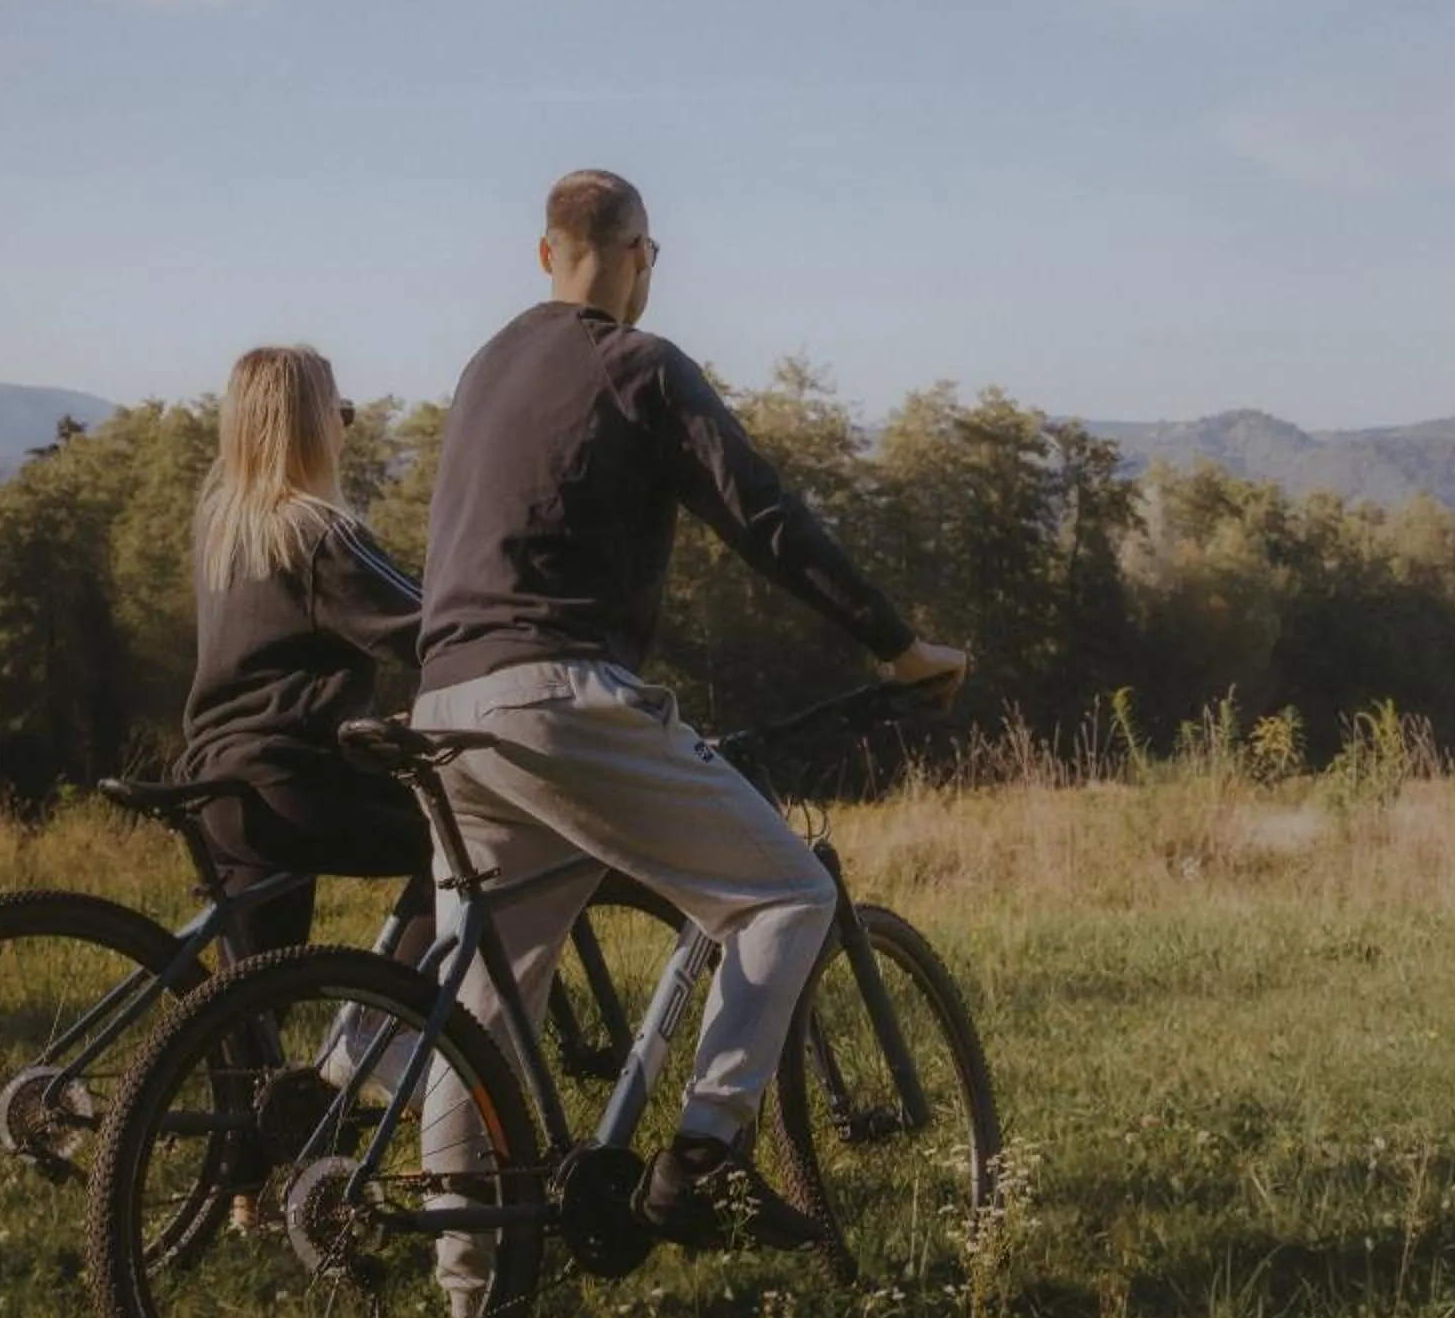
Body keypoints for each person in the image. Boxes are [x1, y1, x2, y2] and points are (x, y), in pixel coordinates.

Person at [415, 168, 967, 1251]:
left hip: (444, 705)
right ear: (641, 257)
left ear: (542, 254)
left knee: (480, 1009)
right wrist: (896, 644)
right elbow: (763, 514)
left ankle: (469, 1293)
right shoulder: (640, 363)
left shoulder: (484, 368)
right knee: (785, 895)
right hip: (558, 695)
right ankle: (706, 1157)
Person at [177, 343, 433, 962]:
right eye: (338, 412)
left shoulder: (226, 532)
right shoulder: (319, 535)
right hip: (293, 783)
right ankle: (387, 1027)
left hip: (219, 785)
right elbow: (431, 628)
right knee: (475, 844)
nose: (344, 429)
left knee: (247, 1014)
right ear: (312, 424)